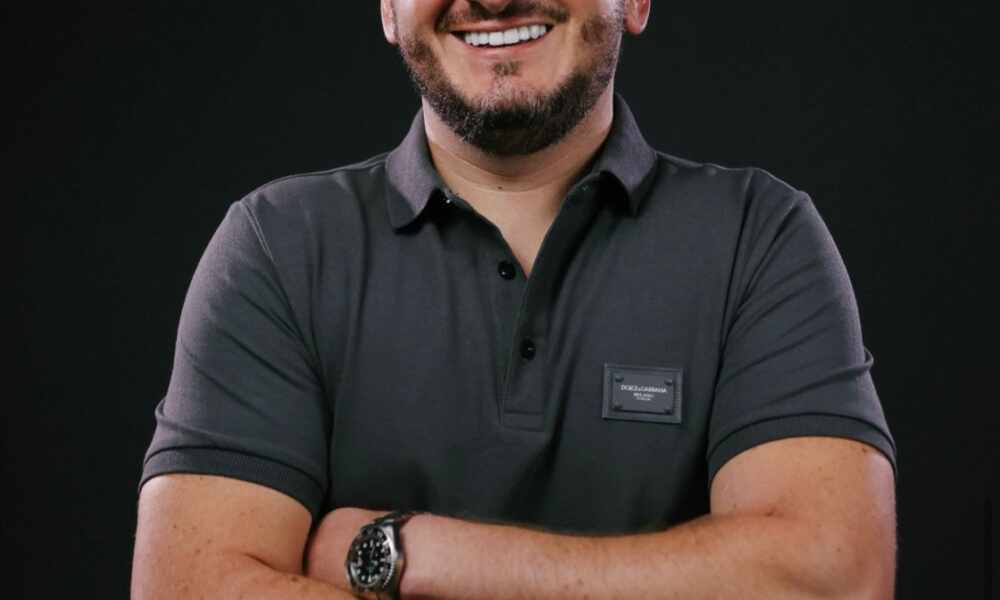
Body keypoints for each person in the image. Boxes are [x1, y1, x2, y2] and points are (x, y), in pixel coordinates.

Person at [131, 1, 898, 598]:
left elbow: (832, 581)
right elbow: (186, 588)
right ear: (389, 9)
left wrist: (408, 552)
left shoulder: (758, 238)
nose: (494, 0)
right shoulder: (277, 247)